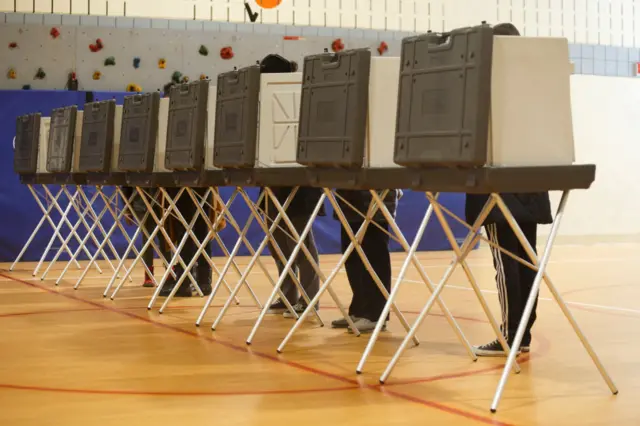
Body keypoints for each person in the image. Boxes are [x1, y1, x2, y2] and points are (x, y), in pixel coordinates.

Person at [466, 22, 553, 356]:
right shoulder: (535, 84)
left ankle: (510, 334)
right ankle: (522, 334)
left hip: (499, 185)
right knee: (526, 259)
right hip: (530, 183)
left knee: (506, 261)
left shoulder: (488, 85)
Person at [255, 53, 325, 318]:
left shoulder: (297, 99)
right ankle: (288, 295)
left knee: (300, 243)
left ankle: (310, 300)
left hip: (298, 184)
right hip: (272, 183)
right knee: (278, 244)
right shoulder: (265, 102)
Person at [330, 189, 402, 333]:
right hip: (350, 200)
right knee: (352, 258)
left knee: (374, 257)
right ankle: (359, 310)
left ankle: (375, 315)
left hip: (374, 201)